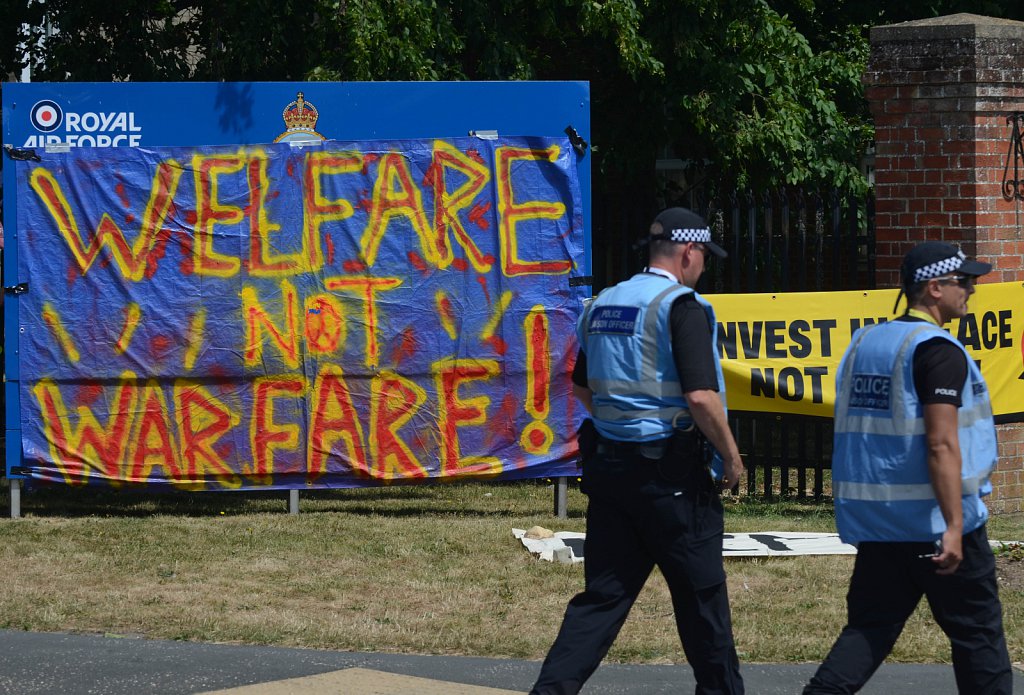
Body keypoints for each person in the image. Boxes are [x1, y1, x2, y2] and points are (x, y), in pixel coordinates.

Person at [530, 207, 745, 695]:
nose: (704, 266)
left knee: (601, 601)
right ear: (689, 251)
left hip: (611, 471)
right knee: (703, 604)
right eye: (704, 257)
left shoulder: (606, 302)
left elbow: (582, 385)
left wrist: (620, 418)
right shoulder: (681, 306)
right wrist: (730, 457)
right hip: (673, 480)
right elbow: (701, 396)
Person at [804, 241, 1012, 694]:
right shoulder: (938, 351)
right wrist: (955, 524)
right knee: (978, 639)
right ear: (935, 288)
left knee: (868, 630)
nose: (972, 291)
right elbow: (940, 443)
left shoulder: (864, 343)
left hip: (881, 527)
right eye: (965, 282)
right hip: (937, 526)